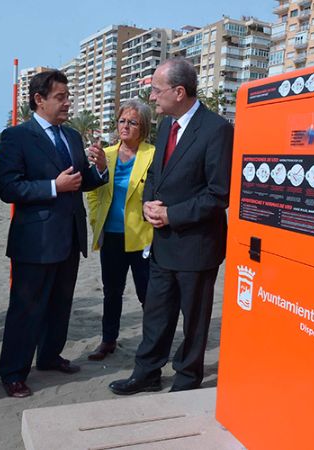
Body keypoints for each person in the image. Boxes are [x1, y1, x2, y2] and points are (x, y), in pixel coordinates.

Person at [109, 58, 233, 395]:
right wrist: (150, 202)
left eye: (156, 90)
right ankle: (146, 372)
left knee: (193, 319)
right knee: (157, 314)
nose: (152, 97)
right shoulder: (166, 126)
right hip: (162, 241)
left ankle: (187, 378)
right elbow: (155, 176)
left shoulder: (217, 129)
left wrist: (172, 214)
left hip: (196, 244)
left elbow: (218, 193)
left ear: (179, 92)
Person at [0, 69, 108, 398]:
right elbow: (8, 187)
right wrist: (52, 187)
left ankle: (49, 356)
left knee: (61, 303)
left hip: (69, 236)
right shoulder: (16, 136)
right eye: (60, 97)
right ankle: (13, 372)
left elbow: (81, 180)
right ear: (39, 99)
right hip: (35, 240)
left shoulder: (71, 136)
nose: (67, 103)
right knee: (26, 307)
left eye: (68, 96)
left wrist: (99, 169)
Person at [86, 99, 155, 361]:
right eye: (122, 121)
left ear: (143, 127)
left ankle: (151, 342)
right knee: (111, 291)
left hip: (142, 238)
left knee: (146, 294)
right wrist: (96, 222)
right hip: (112, 237)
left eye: (132, 122)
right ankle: (108, 340)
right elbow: (93, 193)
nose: (125, 126)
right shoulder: (107, 154)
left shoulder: (153, 154)